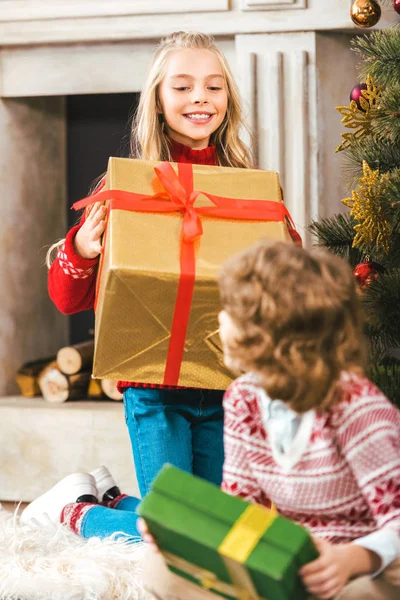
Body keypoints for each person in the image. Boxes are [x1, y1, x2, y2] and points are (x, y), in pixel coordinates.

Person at [22, 32, 257, 539]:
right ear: (157, 100)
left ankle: (114, 500)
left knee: (212, 529)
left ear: (228, 101)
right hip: (156, 389)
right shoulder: (126, 188)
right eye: (183, 86)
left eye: (214, 87)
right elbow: (67, 299)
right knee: (178, 538)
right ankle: (75, 512)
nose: (200, 97)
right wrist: (82, 248)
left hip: (223, 386)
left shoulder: (246, 187)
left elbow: (276, 279)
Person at [138, 240, 400, 600]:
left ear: (270, 330)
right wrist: (183, 535)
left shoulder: (357, 407)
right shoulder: (244, 399)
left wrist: (350, 559)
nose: (219, 318)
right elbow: (241, 509)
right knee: (158, 567)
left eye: (230, 310)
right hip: (293, 566)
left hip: (360, 568)